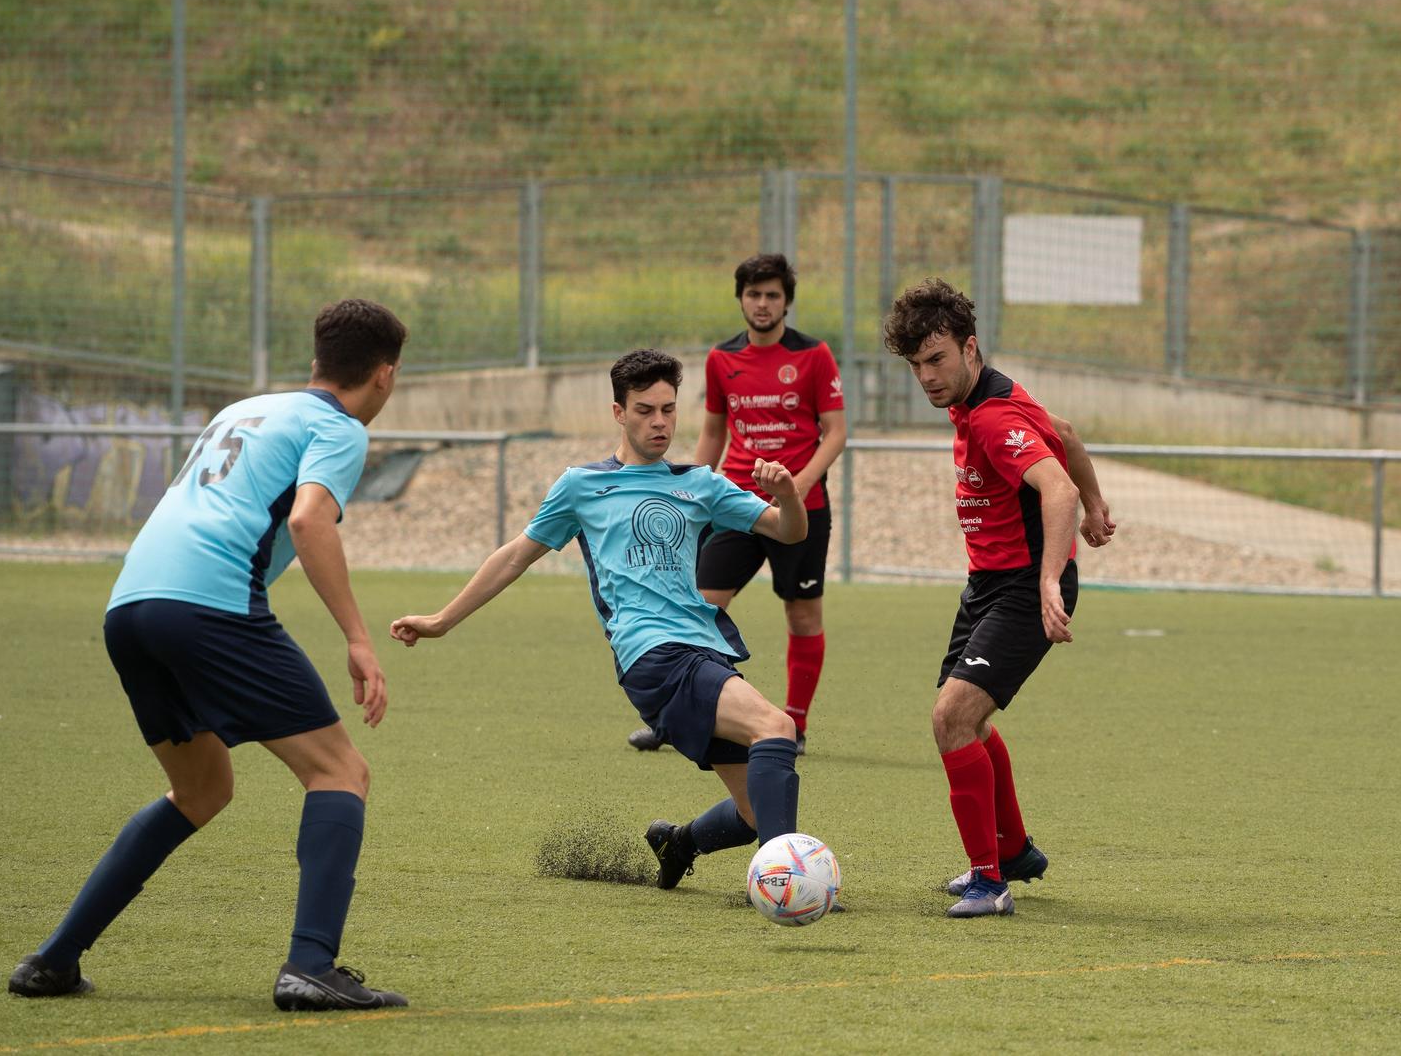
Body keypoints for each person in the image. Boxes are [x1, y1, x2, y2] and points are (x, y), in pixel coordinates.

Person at [8, 299, 410, 1011]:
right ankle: (311, 965)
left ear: (318, 359)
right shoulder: (338, 426)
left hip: (130, 604)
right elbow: (309, 517)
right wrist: (357, 635)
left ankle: (54, 959)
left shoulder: (245, 408)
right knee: (340, 770)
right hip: (208, 603)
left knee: (201, 789)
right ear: (383, 375)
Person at [391, 349, 811, 896]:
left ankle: (677, 843)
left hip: (705, 648)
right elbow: (516, 554)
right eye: (644, 411)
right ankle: (787, 884)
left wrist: (787, 495)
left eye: (668, 410)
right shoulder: (581, 486)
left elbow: (789, 532)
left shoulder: (699, 484)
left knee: (756, 809)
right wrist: (442, 620)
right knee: (776, 728)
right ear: (618, 412)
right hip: (652, 654)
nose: (659, 422)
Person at [882, 279, 1118, 918]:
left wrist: (1049, 577)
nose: (927, 378)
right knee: (967, 720)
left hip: (1021, 586)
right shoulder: (990, 394)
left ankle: (990, 883)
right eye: (915, 366)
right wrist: (1099, 502)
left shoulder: (991, 416)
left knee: (951, 718)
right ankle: (1012, 851)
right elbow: (1063, 432)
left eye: (937, 361)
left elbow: (1056, 490)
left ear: (970, 347)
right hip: (988, 584)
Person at [628, 254, 845, 757]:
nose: (762, 303)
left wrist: (794, 487)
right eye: (753, 294)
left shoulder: (814, 356)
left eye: (772, 294)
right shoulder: (721, 359)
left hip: (800, 507)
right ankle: (675, 719)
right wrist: (688, 494)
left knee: (803, 616)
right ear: (741, 299)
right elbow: (712, 432)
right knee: (698, 608)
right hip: (735, 505)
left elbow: (835, 433)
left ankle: (795, 724)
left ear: (786, 300)